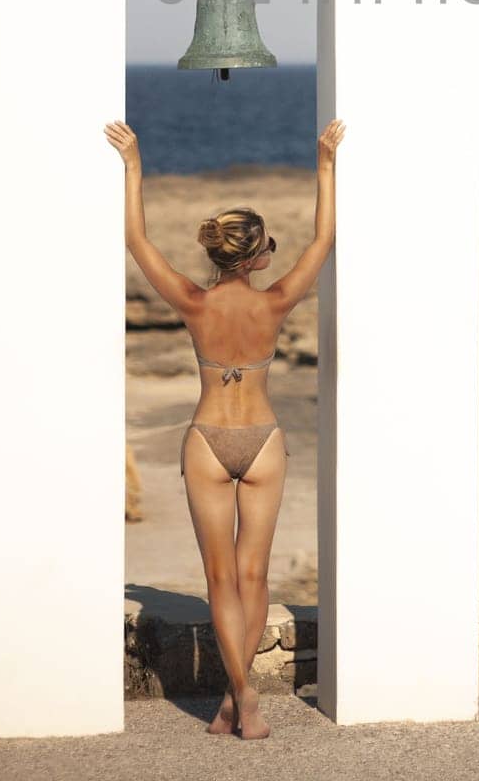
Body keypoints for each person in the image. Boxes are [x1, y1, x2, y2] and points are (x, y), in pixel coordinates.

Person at [103, 114, 345, 740]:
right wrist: (324, 162)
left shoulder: (193, 301)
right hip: (263, 441)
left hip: (208, 441)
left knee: (217, 579)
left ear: (216, 252)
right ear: (257, 255)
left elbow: (135, 238)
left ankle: (241, 697)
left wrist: (133, 164)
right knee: (253, 576)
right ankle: (244, 692)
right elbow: (323, 240)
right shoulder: (275, 300)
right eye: (267, 246)